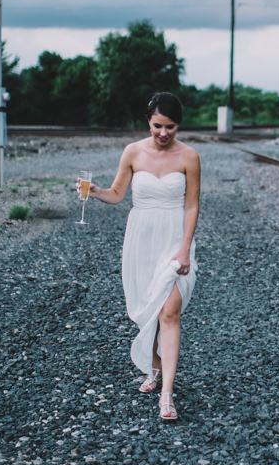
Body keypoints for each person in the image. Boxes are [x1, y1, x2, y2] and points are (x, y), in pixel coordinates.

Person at [80, 92, 201, 421]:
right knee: (146, 310)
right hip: (141, 240)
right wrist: (93, 191)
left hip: (175, 239)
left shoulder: (189, 157)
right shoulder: (133, 152)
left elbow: (192, 204)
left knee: (170, 311)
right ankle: (154, 367)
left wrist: (185, 247)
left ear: (179, 125)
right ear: (148, 122)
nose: (163, 134)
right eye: (157, 126)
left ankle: (167, 394)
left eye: (170, 127)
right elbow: (117, 194)